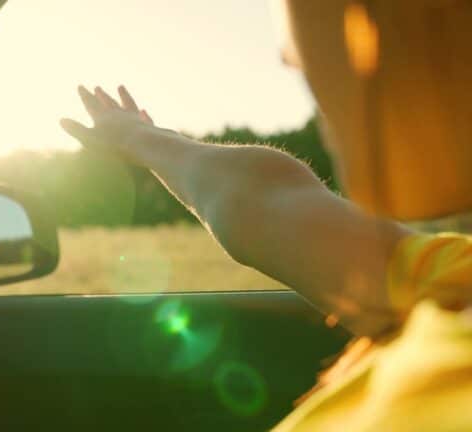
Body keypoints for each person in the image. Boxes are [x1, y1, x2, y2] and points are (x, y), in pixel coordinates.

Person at [60, 1, 472, 430]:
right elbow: (259, 199)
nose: (288, 56)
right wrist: (136, 137)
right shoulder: (456, 282)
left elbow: (263, 198)